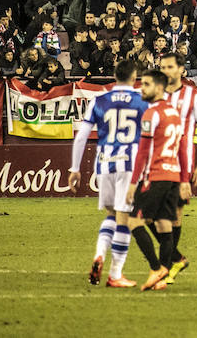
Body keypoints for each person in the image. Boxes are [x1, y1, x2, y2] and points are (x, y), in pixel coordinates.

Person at [68, 58, 148, 288]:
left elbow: (82, 135)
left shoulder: (99, 100)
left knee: (112, 215)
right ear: (134, 78)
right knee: (126, 217)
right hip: (130, 164)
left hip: (104, 163)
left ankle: (100, 253)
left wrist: (75, 168)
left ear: (114, 76)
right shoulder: (142, 100)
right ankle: (115, 274)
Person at [128, 70, 189, 292]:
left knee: (133, 221)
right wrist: (183, 179)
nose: (142, 88)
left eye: (146, 84)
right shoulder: (174, 112)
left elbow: (143, 152)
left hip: (155, 176)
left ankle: (156, 268)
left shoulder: (151, 114)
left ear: (160, 88)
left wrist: (134, 183)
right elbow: (182, 148)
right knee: (164, 226)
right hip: (173, 176)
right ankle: (162, 278)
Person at [159, 52, 197, 283]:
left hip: (182, 165)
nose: (165, 71)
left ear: (181, 69)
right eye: (162, 67)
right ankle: (175, 258)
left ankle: (166, 267)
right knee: (148, 215)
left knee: (175, 217)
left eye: (170, 67)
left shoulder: (193, 96)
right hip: (157, 163)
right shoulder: (156, 94)